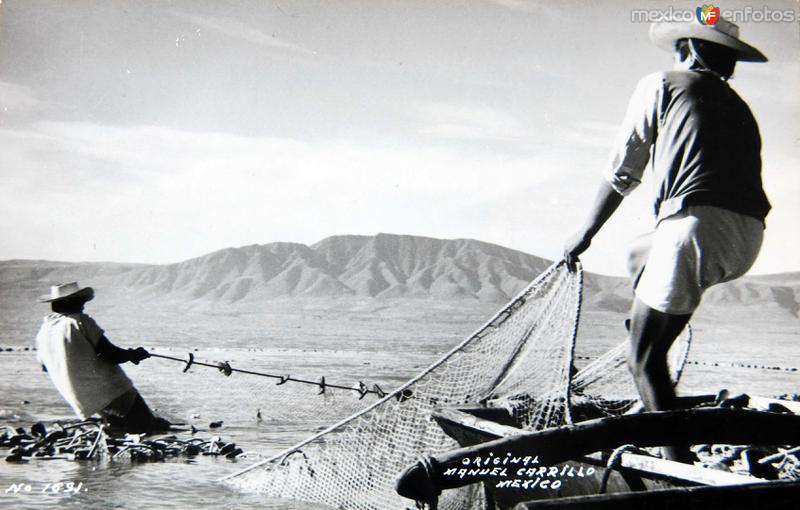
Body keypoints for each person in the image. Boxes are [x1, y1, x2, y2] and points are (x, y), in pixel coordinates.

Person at [563, 18, 769, 462]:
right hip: (748, 236)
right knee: (639, 251)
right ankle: (647, 328)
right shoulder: (737, 105)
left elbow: (623, 171)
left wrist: (584, 233)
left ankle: (679, 467)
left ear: (689, 50)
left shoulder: (661, 83)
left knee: (644, 359)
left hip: (694, 228)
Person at [36, 282, 170, 433]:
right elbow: (109, 354)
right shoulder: (80, 321)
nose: (83, 306)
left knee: (119, 428)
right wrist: (133, 354)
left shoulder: (44, 330)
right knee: (144, 425)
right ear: (68, 302)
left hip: (80, 394)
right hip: (111, 389)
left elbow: (45, 367)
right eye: (80, 301)